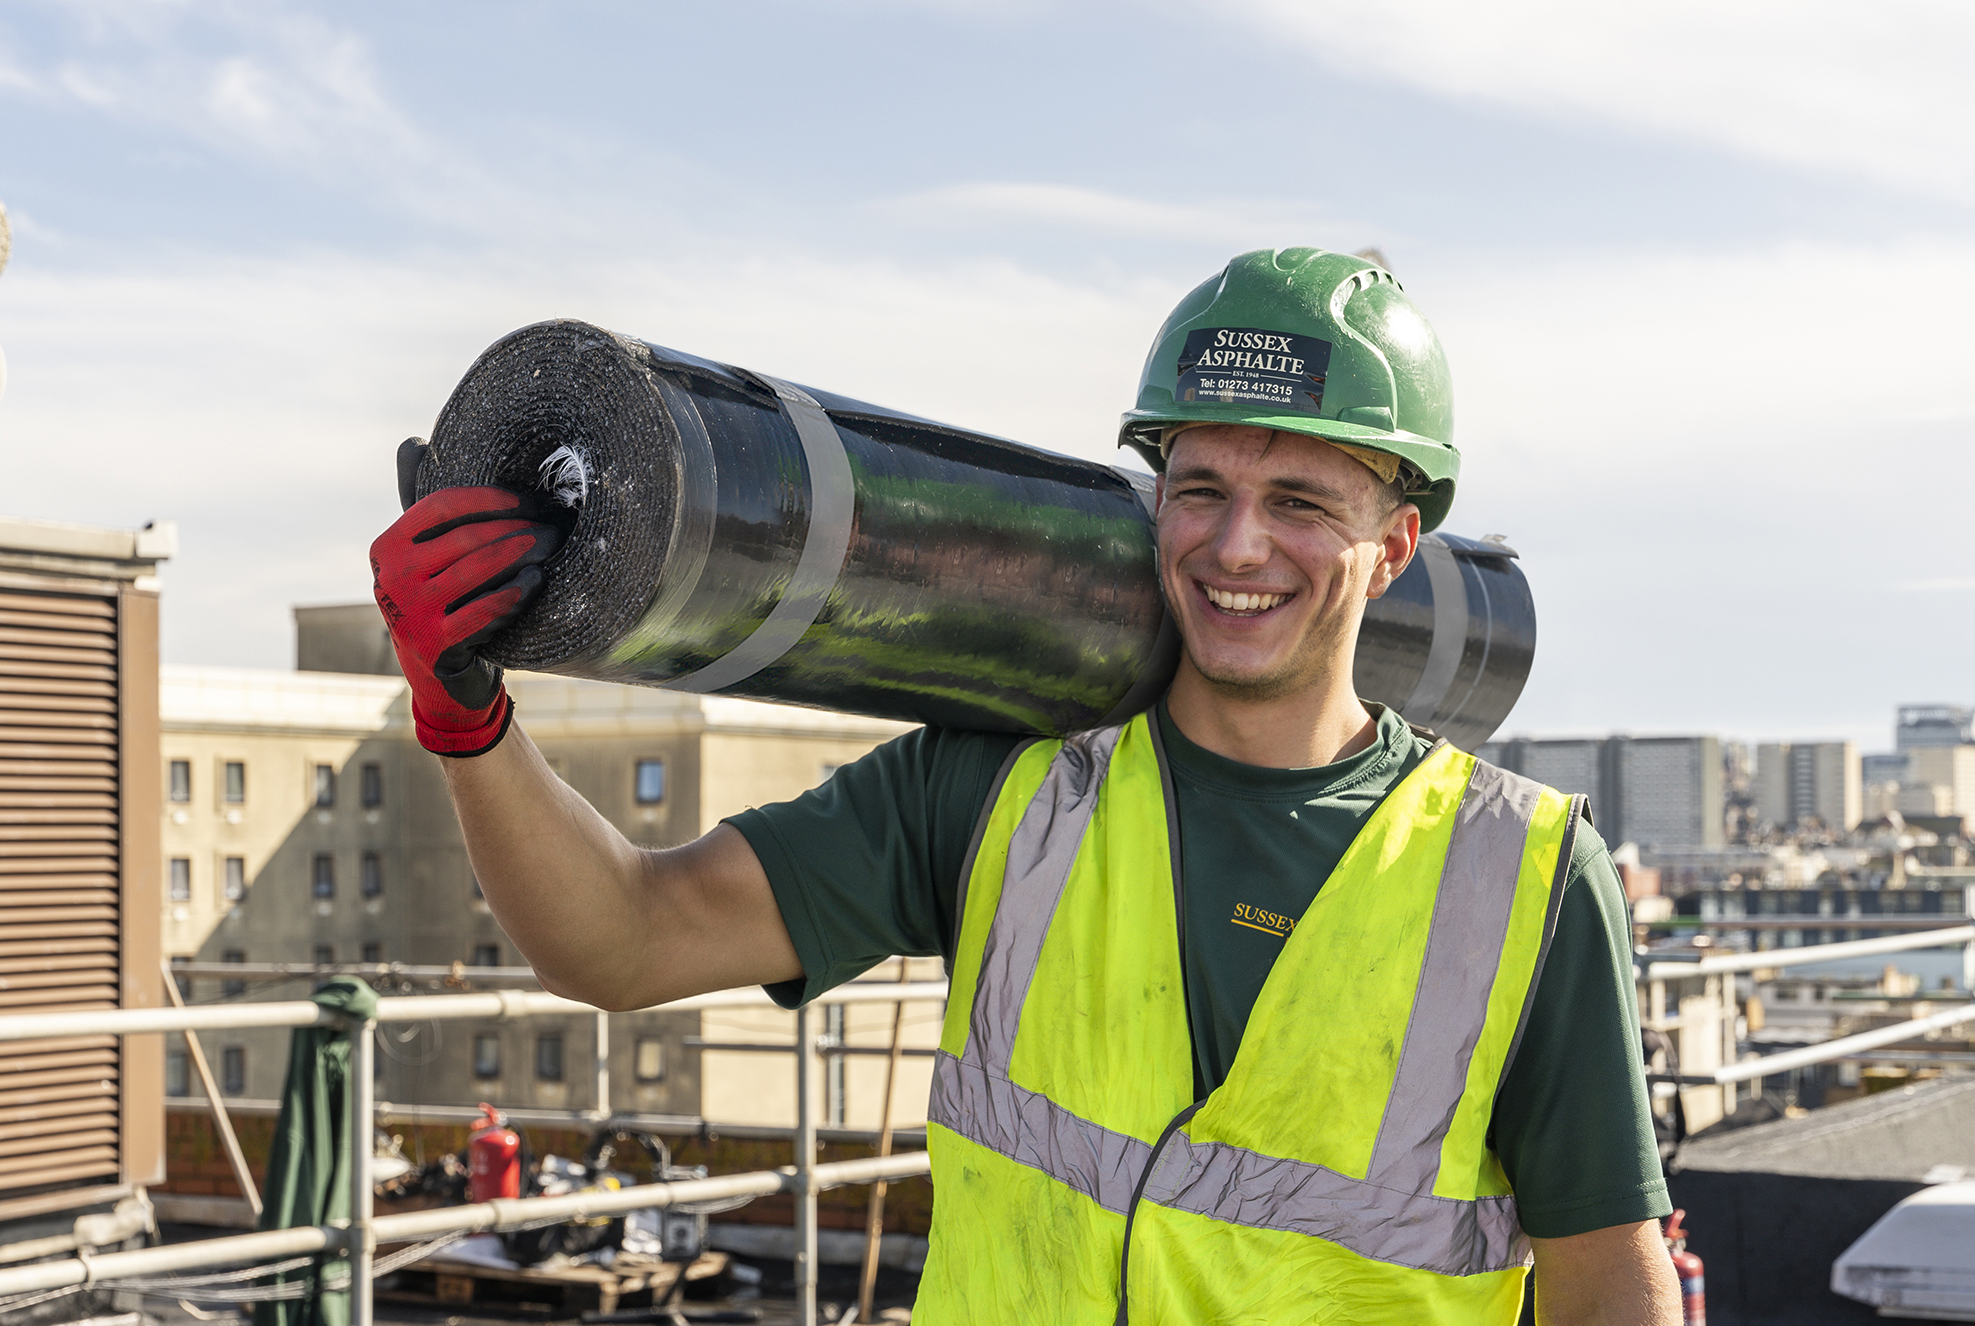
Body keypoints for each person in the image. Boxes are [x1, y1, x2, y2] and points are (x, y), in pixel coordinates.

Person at [370, 247, 1680, 1324]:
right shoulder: (1004, 789)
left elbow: (1607, 1288)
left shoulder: (1520, 876)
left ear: (1393, 546)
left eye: (1299, 503)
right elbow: (626, 939)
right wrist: (469, 718)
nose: (1237, 546)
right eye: (1201, 488)